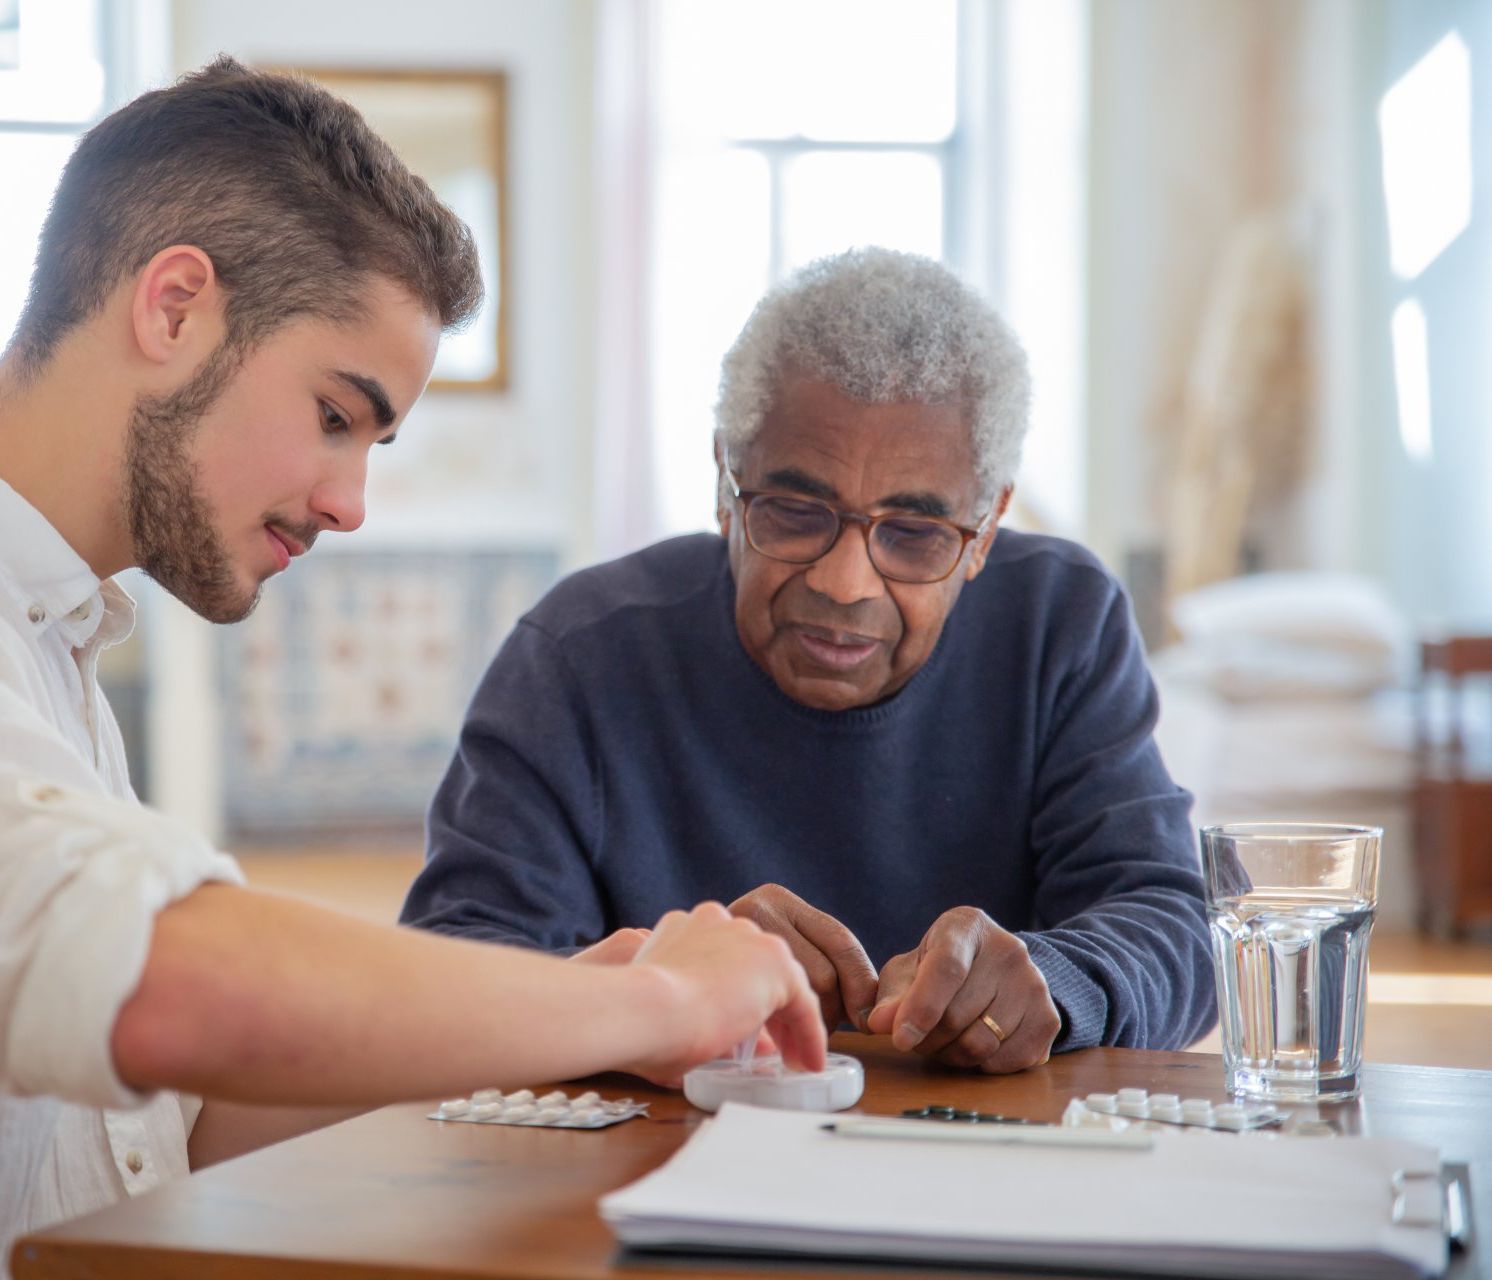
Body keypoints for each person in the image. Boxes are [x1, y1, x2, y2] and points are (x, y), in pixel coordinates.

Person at [0, 58, 823, 1267]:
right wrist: (655, 1000)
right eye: (337, 415)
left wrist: (560, 1022)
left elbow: (180, 1110)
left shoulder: (54, 641)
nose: (351, 504)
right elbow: (163, 980)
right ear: (174, 308)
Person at [403, 246, 1217, 1074]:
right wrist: (666, 986)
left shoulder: (1061, 625)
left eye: (915, 534)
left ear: (987, 528)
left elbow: (1175, 927)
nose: (843, 582)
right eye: (794, 512)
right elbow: (454, 978)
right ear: (725, 482)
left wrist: (1059, 977)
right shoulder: (580, 655)